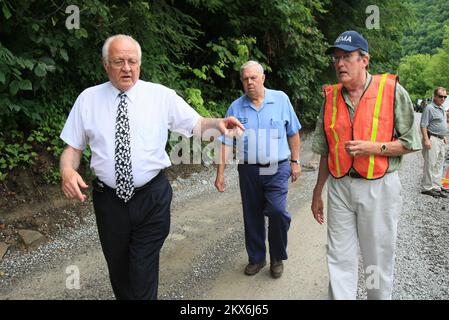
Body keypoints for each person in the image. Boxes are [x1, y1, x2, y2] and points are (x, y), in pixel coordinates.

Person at [59, 34, 243, 300]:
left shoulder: (160, 96)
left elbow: (195, 124)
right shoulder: (88, 99)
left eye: (132, 61)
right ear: (105, 64)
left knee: (142, 266)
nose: (127, 68)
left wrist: (218, 123)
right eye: (119, 61)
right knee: (119, 269)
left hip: (151, 197)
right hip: (109, 201)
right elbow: (73, 148)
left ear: (140, 64)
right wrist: (67, 170)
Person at [311, 30, 421, 299]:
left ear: (364, 60)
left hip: (379, 187)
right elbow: (325, 150)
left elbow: (411, 142)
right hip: (339, 187)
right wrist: (317, 193)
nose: (339, 64)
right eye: (336, 58)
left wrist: (374, 148)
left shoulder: (391, 90)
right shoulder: (330, 97)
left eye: (346, 57)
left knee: (377, 258)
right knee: (338, 256)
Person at [215, 61, 301, 279]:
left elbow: (293, 132)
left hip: (277, 166)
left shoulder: (281, 99)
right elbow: (226, 142)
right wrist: (221, 173)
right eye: (245, 79)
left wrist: (296, 161)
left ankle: (277, 256)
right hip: (248, 169)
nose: (249, 82)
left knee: (277, 211)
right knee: (252, 215)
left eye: (253, 78)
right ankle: (257, 258)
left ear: (263, 78)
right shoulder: (235, 107)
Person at [420, 87, 448, 197]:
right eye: (440, 96)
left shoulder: (442, 108)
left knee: (439, 163)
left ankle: (436, 186)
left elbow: (441, 124)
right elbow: (423, 125)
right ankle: (426, 187)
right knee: (430, 164)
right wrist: (426, 139)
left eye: (445, 96)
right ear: (435, 96)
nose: (443, 98)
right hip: (432, 139)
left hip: (440, 139)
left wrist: (443, 136)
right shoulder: (429, 108)